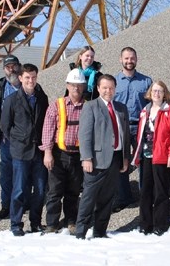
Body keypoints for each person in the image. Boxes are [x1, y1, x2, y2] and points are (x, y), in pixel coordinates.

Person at [74, 74, 130, 239]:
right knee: (89, 198)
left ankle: (100, 231)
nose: (108, 91)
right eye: (104, 87)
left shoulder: (121, 107)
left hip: (116, 158)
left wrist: (125, 157)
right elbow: (84, 134)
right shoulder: (91, 106)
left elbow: (125, 134)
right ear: (98, 88)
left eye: (111, 88)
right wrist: (86, 158)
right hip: (96, 160)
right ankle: (80, 232)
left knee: (107, 198)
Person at [0, 63, 49, 236]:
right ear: (20, 78)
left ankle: (35, 222)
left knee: (41, 188)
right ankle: (16, 224)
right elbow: (5, 125)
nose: (31, 80)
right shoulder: (11, 100)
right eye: (27, 77)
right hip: (21, 151)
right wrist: (18, 139)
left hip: (39, 150)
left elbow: (46, 122)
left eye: (34, 77)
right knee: (20, 189)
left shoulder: (42, 98)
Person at [132, 81, 170, 236]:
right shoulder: (144, 112)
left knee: (161, 191)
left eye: (160, 91)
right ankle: (145, 223)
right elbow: (140, 135)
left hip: (162, 157)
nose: (157, 93)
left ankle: (161, 223)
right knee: (145, 191)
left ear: (165, 93)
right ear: (150, 93)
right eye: (154, 90)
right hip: (146, 157)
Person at [40, 69, 87, 234]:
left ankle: (71, 221)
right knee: (54, 192)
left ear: (84, 87)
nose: (76, 88)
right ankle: (52, 224)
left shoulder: (87, 107)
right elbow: (48, 130)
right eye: (73, 85)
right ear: (67, 85)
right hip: (58, 156)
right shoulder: (57, 105)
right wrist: (47, 152)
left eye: (79, 85)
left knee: (73, 192)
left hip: (78, 156)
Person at [113, 47, 152, 212]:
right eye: (126, 58)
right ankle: (124, 197)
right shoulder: (113, 81)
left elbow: (153, 104)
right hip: (120, 127)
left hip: (140, 127)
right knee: (121, 163)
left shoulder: (146, 81)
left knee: (143, 161)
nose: (129, 61)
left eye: (132, 58)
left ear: (136, 59)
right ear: (121, 59)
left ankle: (146, 194)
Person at [0, 55, 21, 219]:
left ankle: (21, 204)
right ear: (4, 70)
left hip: (23, 140)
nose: (12, 69)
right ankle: (6, 205)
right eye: (8, 67)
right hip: (6, 140)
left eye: (14, 66)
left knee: (22, 172)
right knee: (6, 173)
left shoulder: (27, 85)